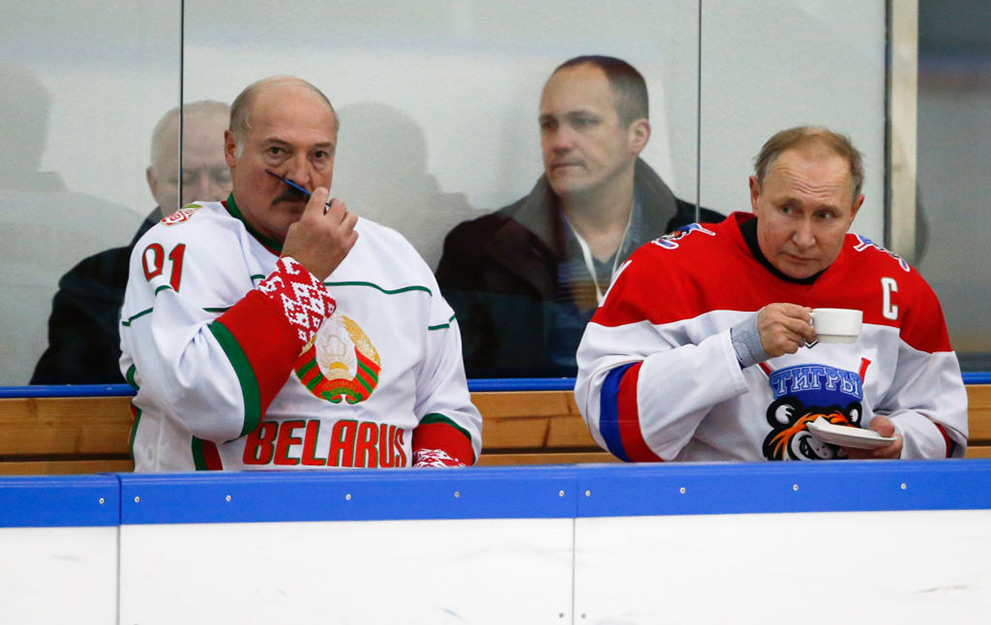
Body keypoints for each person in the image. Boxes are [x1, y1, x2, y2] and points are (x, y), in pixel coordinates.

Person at [119, 76, 481, 472]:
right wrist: (301, 276)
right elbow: (211, 407)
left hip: (378, 523)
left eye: (319, 156)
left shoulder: (393, 255)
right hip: (226, 523)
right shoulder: (177, 246)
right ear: (232, 149)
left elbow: (447, 408)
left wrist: (426, 491)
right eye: (277, 152)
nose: (301, 176)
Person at [575, 126, 968, 462]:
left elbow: (945, 425)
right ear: (755, 194)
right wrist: (737, 348)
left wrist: (900, 441)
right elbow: (610, 416)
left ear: (854, 210)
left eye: (825, 215)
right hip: (704, 517)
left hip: (852, 517)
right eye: (788, 209)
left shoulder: (897, 286)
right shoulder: (667, 269)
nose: (804, 236)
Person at [436, 55, 722, 378]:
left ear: (638, 135)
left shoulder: (710, 241)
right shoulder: (480, 251)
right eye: (549, 125)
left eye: (583, 122)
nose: (559, 142)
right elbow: (454, 395)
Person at [30, 101, 232, 384]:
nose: (204, 194)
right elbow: (58, 409)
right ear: (154, 184)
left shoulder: (288, 274)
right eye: (183, 179)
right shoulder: (96, 284)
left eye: (224, 177)